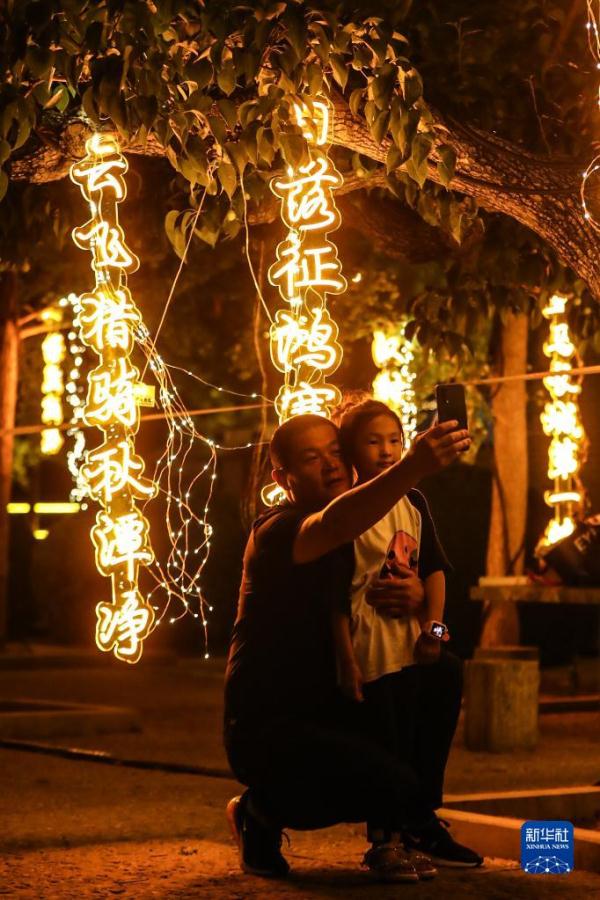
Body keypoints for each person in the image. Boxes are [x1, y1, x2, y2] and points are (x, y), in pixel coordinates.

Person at [224, 413, 470, 881]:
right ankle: (260, 811)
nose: (331, 465)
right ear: (282, 477)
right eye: (311, 458)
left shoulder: (391, 513)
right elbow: (333, 526)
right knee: (389, 781)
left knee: (444, 670)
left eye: (335, 452)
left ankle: (416, 821)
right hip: (278, 721)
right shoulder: (278, 530)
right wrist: (413, 465)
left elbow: (429, 580)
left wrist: (425, 610)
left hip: (342, 699)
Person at [332, 398, 482, 867]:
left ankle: (420, 819)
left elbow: (434, 568)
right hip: (370, 645)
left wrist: (433, 628)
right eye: (372, 441)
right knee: (388, 735)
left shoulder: (413, 501)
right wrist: (345, 660)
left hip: (408, 641)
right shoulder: (345, 510)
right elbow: (331, 594)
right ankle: (386, 837)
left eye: (395, 440)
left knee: (441, 687)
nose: (386, 451)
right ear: (349, 450)